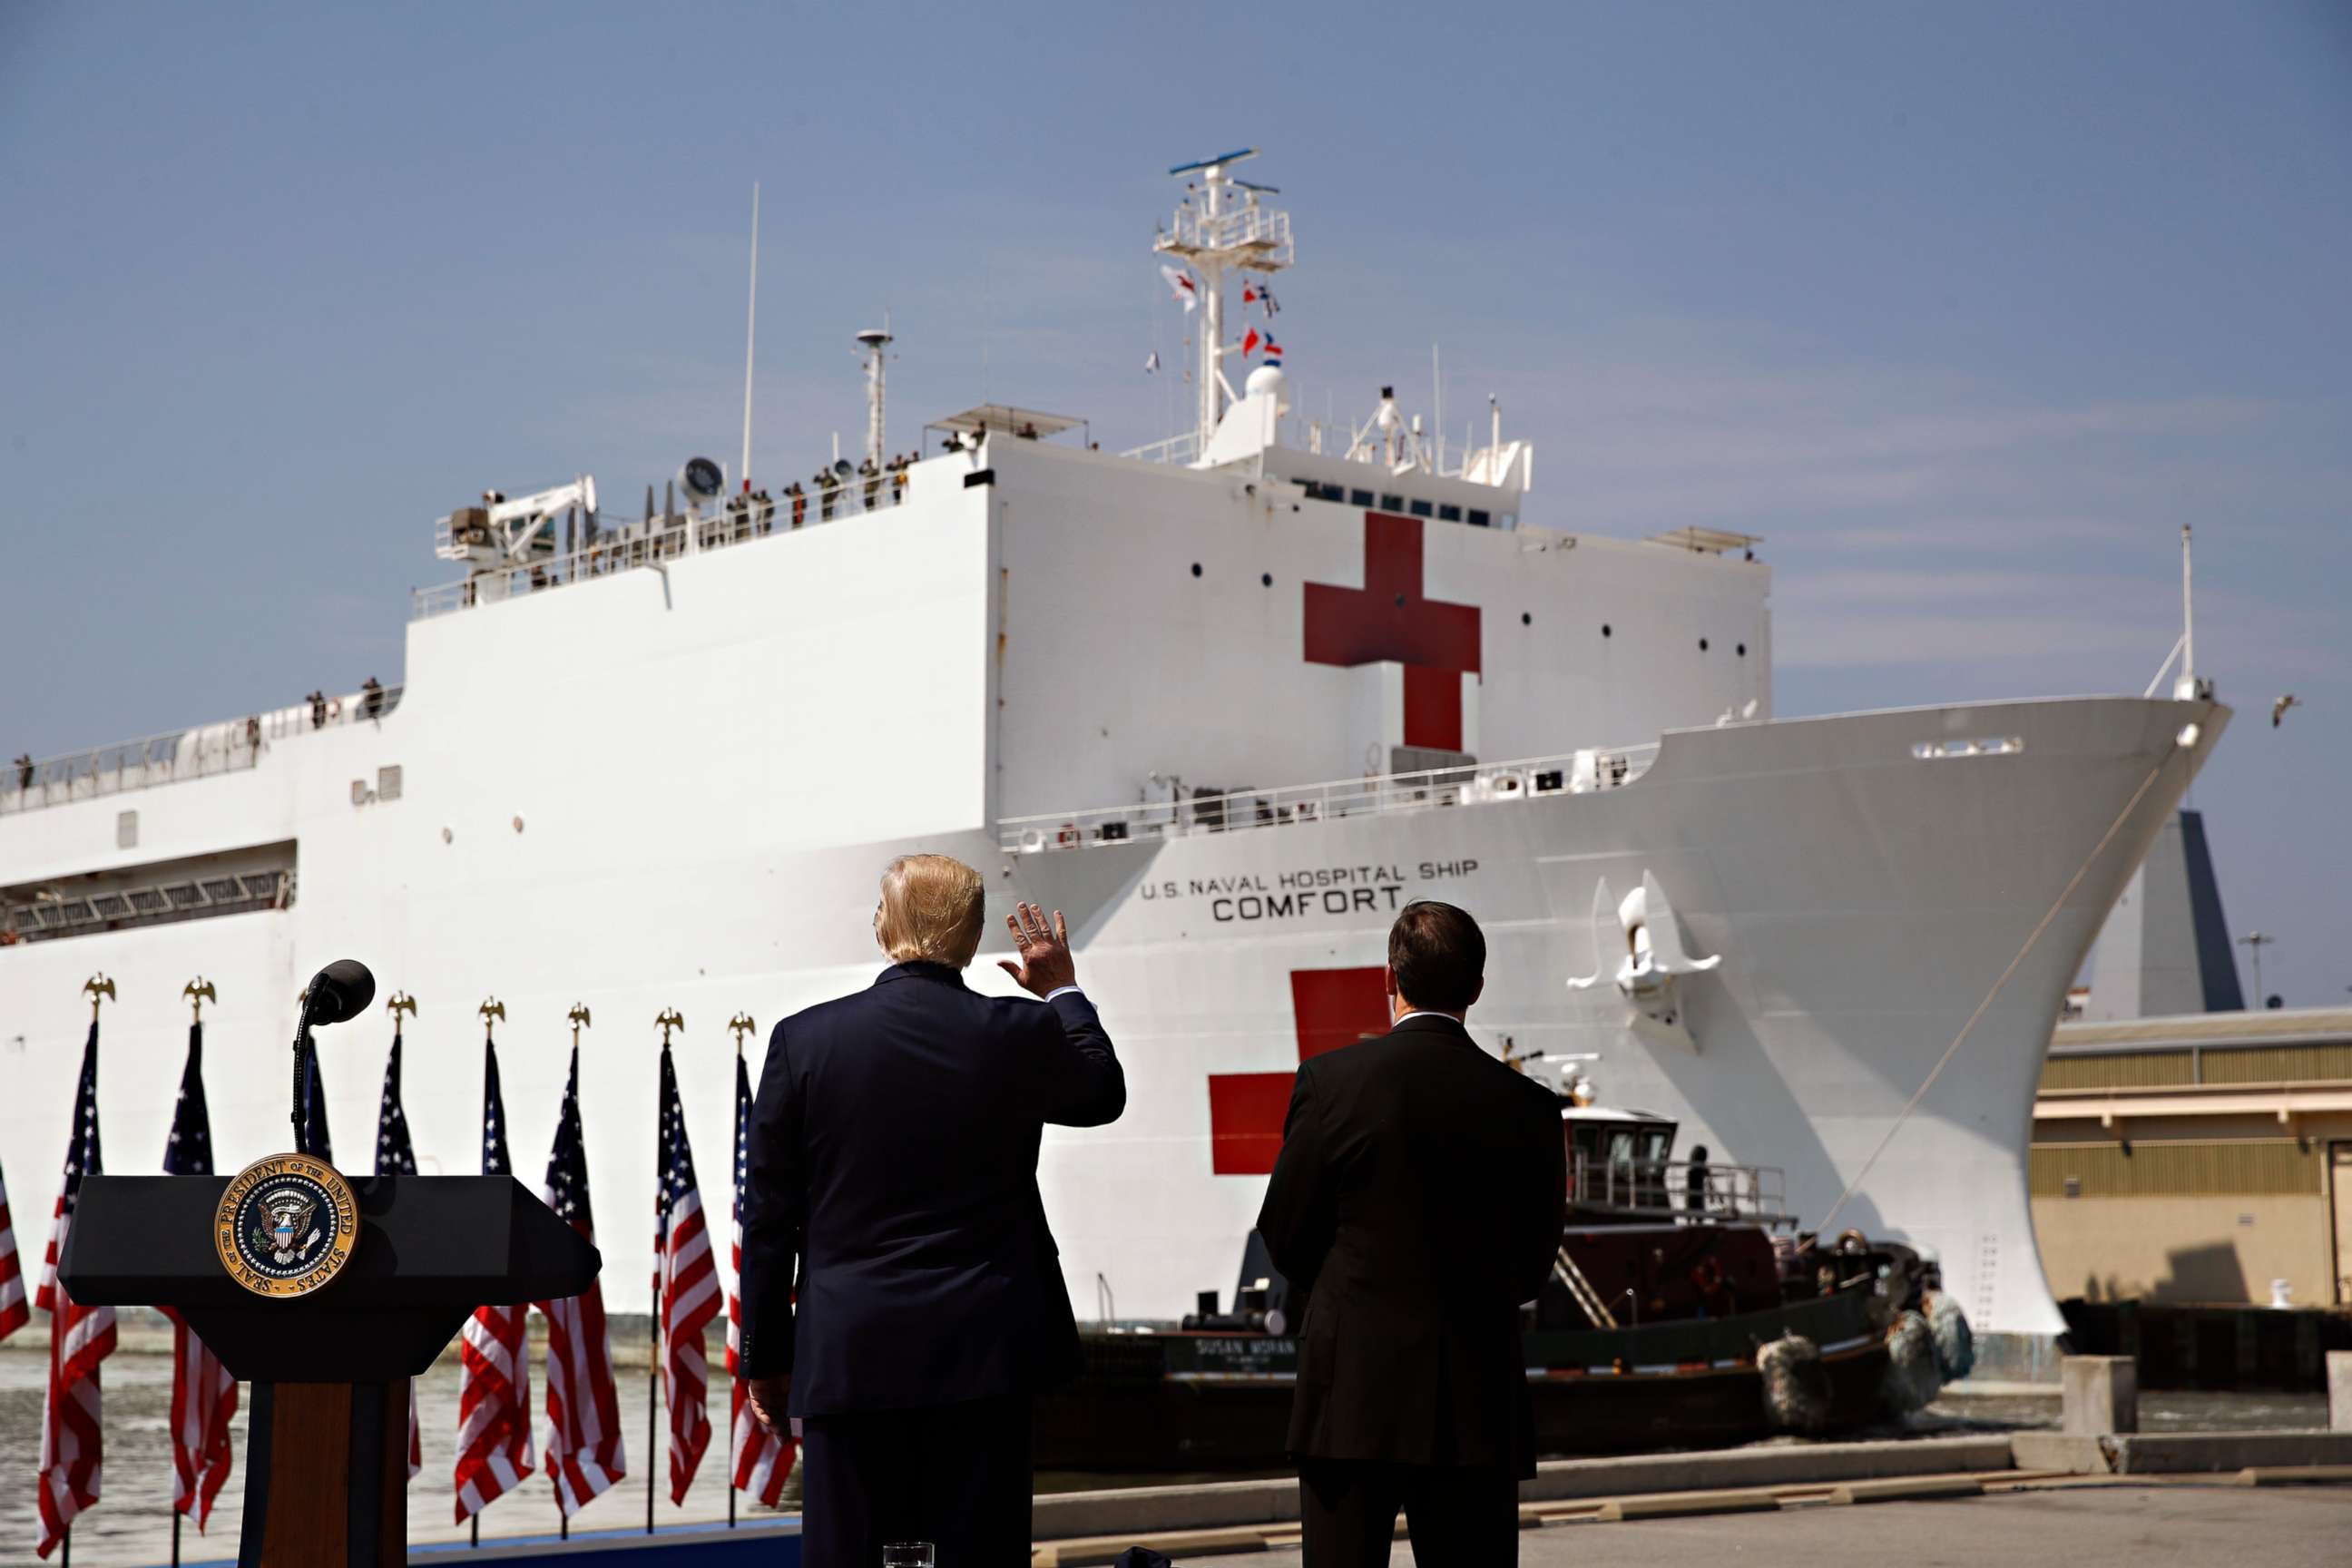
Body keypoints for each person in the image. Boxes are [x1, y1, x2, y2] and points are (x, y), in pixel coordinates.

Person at [740, 857, 1125, 1567]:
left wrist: (766, 1355)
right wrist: (1063, 989)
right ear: (974, 938)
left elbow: (767, 1216)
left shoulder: (804, 1041)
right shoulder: (1017, 1032)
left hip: (848, 1357)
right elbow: (1102, 1089)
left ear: (883, 927)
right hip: (985, 1358)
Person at [1259, 901, 1565, 1566]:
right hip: (1476, 1404)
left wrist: (1351, 1298)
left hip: (1351, 1397)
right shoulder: (1532, 1109)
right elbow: (1532, 1266)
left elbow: (1284, 1234)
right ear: (1477, 989)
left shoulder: (1331, 1084)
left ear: (1388, 981)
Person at [1685, 1142, 1711, 1213]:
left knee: (1691, 1207)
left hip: (1692, 1195)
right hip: (1698, 1195)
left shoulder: (1692, 1170)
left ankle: (1690, 1220)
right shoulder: (1701, 1170)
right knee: (1698, 1209)